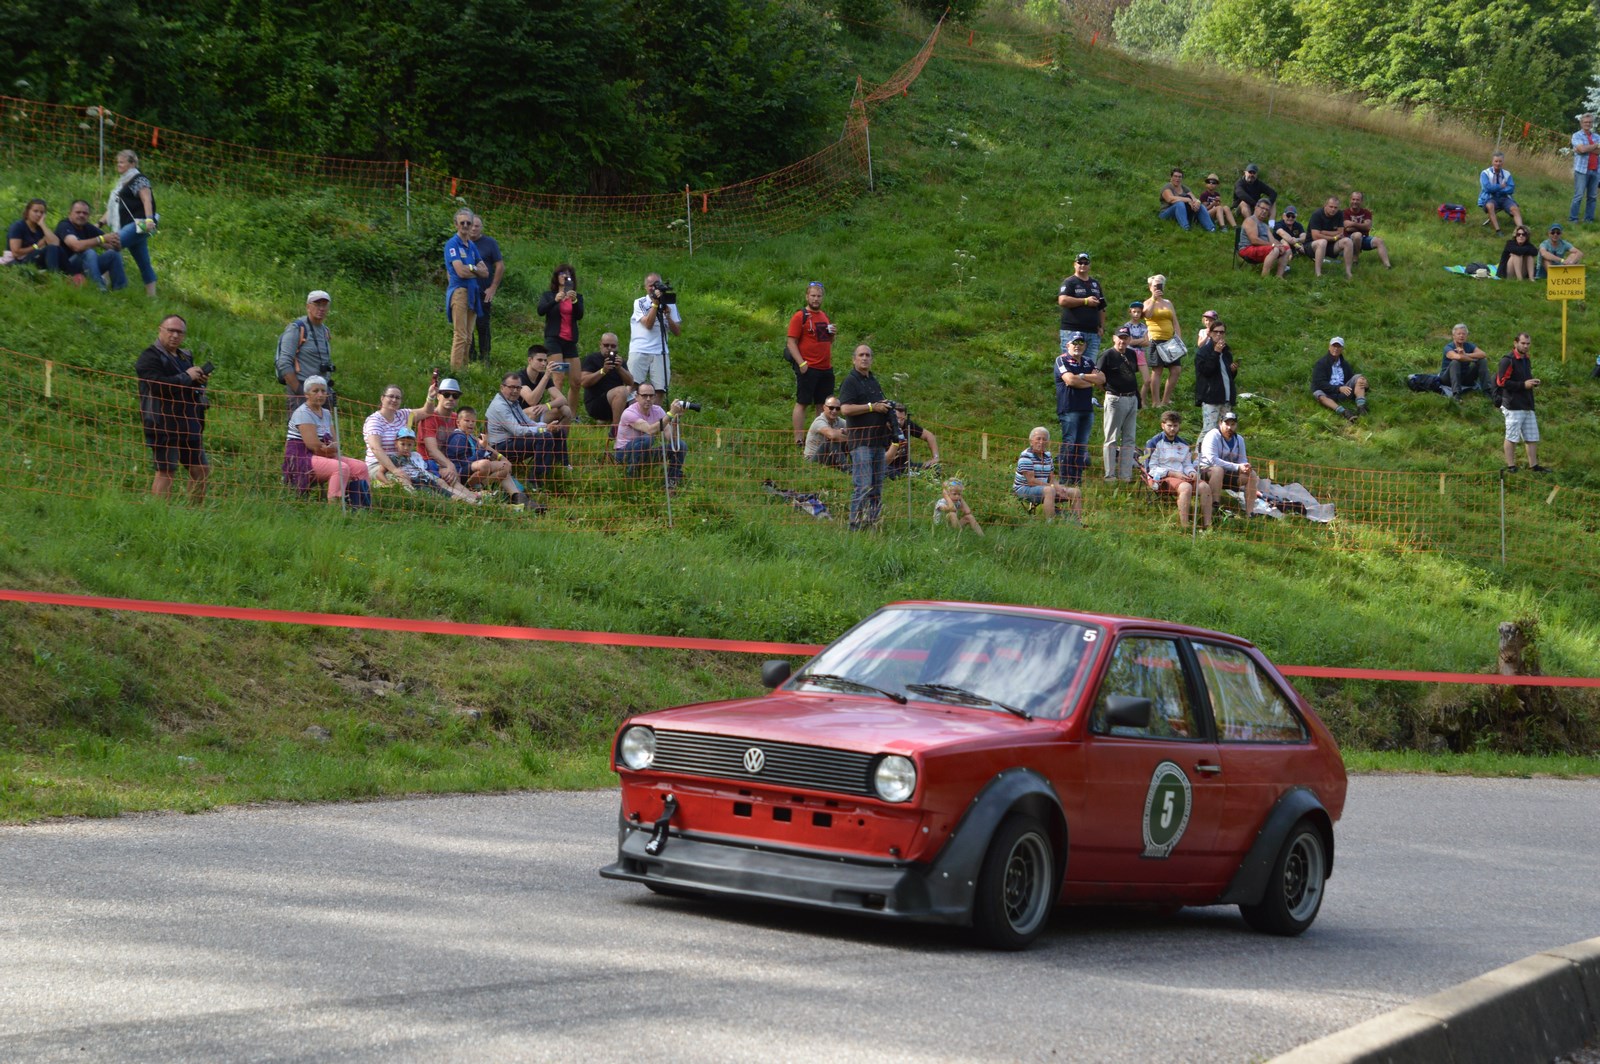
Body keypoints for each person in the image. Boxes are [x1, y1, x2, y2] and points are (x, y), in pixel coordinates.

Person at [135, 315, 209, 502]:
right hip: (162, 423)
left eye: (180, 332)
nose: (175, 335)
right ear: (160, 330)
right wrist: (187, 376)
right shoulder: (149, 357)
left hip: (189, 422)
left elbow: (186, 385)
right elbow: (158, 387)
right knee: (166, 471)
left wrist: (199, 381)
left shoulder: (185, 356)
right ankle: (159, 513)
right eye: (171, 330)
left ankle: (194, 513)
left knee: (201, 469)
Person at [283, 376, 368, 506]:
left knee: (360, 467)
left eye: (323, 391)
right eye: (315, 391)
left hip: (326, 454)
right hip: (303, 457)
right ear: (306, 394)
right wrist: (330, 448)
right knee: (341, 468)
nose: (320, 394)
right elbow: (314, 446)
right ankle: (335, 506)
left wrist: (331, 448)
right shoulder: (303, 413)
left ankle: (361, 505)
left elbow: (335, 441)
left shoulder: (326, 413)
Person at [837, 344, 891, 530]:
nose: (865, 358)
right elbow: (845, 409)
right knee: (863, 485)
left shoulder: (873, 381)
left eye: (868, 355)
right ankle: (855, 525)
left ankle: (872, 523)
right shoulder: (850, 381)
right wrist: (871, 407)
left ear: (872, 359)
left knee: (877, 486)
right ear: (854, 359)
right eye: (861, 355)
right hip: (861, 442)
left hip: (878, 441)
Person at [445, 405, 535, 509]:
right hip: (460, 474)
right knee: (485, 464)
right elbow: (464, 462)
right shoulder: (458, 438)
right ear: (458, 422)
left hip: (473, 469)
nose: (471, 423)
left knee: (504, 467)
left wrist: (494, 455)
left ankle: (519, 498)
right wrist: (482, 450)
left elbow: (484, 452)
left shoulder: (470, 437)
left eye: (473, 421)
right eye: (467, 420)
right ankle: (471, 488)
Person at [786, 281, 836, 446]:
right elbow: (791, 342)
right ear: (807, 296)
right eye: (813, 295)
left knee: (822, 405)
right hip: (809, 368)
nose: (816, 299)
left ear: (822, 298)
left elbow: (826, 342)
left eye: (819, 296)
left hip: (825, 368)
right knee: (803, 402)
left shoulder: (824, 316)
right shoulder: (800, 316)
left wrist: (832, 334)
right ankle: (799, 439)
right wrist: (801, 364)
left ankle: (819, 438)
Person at [1145, 410, 1211, 530]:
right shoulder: (1153, 443)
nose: (1172, 429)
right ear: (1163, 425)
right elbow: (1150, 469)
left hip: (1182, 476)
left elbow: (1187, 464)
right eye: (1169, 425)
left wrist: (1192, 472)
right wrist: (1172, 473)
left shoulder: (1184, 444)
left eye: (1175, 426)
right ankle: (1185, 526)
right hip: (1161, 477)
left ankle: (1207, 525)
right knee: (1186, 487)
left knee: (1205, 487)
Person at [487, 373, 558, 486]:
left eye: (518, 388)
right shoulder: (500, 405)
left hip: (513, 441)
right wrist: (543, 430)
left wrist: (546, 426)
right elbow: (518, 431)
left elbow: (528, 423)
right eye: (511, 387)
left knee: (557, 431)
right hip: (500, 447)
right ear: (502, 387)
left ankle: (563, 465)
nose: (515, 391)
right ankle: (535, 481)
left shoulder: (513, 402)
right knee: (545, 437)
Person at [104, 150, 159, 296]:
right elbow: (114, 207)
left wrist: (149, 219)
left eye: (122, 162)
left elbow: (147, 200)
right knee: (143, 261)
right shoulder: (123, 182)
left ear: (132, 163)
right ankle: (152, 297)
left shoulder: (139, 179)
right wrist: (100, 222)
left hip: (142, 223)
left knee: (114, 243)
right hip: (130, 224)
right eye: (118, 162)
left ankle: (102, 281)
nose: (118, 165)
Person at [364, 382, 437, 489]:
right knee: (405, 482)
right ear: (382, 398)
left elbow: (427, 412)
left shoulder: (403, 414)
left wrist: (431, 396)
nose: (394, 400)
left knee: (436, 481)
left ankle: (457, 497)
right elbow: (375, 448)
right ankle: (416, 499)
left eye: (397, 398)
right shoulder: (374, 420)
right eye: (391, 396)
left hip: (403, 462)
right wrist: (394, 470)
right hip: (378, 465)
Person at [276, 290, 333, 421]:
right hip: (302, 392)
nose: (321, 308)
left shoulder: (325, 331)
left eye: (324, 305)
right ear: (308, 306)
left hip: (322, 392)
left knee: (324, 432)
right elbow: (284, 363)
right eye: (317, 304)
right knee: (300, 432)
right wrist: (301, 392)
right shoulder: (297, 328)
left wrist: (326, 391)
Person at [615, 384, 687, 487]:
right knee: (648, 438)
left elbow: (671, 438)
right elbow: (650, 430)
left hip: (644, 452)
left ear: (655, 397)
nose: (648, 399)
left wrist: (675, 419)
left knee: (680, 445)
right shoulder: (629, 413)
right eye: (644, 395)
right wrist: (670, 414)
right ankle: (631, 477)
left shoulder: (658, 410)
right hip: (624, 454)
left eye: (651, 396)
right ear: (636, 397)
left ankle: (671, 482)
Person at [1054, 334, 1102, 486]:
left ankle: (1077, 480)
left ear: (1085, 346)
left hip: (1087, 409)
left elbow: (1101, 379)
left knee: (1081, 446)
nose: (1077, 345)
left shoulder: (1088, 361)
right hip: (1069, 408)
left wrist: (1080, 376)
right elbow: (1070, 380)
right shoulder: (1061, 359)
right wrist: (1090, 381)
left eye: (1081, 342)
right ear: (1067, 345)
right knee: (1069, 443)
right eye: (1074, 343)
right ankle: (1064, 479)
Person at [443, 208, 487, 371]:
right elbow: (460, 272)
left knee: (468, 336)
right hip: (459, 291)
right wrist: (474, 269)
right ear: (456, 224)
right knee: (460, 335)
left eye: (469, 223)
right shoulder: (452, 244)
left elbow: (485, 272)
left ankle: (464, 370)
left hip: (472, 292)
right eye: (462, 223)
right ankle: (454, 373)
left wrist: (470, 267)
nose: (466, 226)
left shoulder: (471, 245)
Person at [392, 427, 484, 503]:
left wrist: (439, 469)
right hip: (417, 482)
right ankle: (467, 502)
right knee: (440, 493)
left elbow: (425, 467)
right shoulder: (394, 458)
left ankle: (471, 499)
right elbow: (387, 471)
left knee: (444, 485)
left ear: (413, 445)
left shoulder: (416, 455)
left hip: (427, 478)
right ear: (396, 444)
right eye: (402, 444)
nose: (406, 448)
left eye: (409, 445)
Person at [1496, 333, 1547, 472]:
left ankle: (1534, 466)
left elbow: (1523, 379)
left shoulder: (1526, 359)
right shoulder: (1507, 360)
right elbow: (1501, 382)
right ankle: (1511, 466)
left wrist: (1532, 382)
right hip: (1512, 405)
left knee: (1532, 437)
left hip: (1527, 403)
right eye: (1523, 343)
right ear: (1515, 343)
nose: (1525, 346)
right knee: (1512, 437)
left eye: (1528, 343)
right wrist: (1523, 385)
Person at [628, 272, 682, 399]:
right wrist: (655, 304)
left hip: (660, 351)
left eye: (657, 285)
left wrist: (668, 316)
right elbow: (648, 324)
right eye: (651, 285)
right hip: (640, 349)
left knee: (660, 389)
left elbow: (677, 332)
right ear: (645, 287)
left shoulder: (670, 304)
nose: (654, 288)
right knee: (632, 385)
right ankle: (630, 411)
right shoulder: (640, 302)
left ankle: (656, 412)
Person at [519, 345, 574, 468]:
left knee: (565, 410)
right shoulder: (521, 377)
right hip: (519, 418)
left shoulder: (543, 376)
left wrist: (547, 405)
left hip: (537, 415)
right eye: (539, 360)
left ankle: (560, 448)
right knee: (534, 410)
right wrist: (546, 376)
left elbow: (562, 399)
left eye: (545, 360)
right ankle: (535, 446)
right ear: (530, 360)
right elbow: (531, 400)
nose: (543, 364)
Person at [1099, 326, 1142, 483]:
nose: (1122, 341)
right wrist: (1109, 391)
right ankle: (1110, 475)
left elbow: (1132, 374)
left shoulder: (1131, 354)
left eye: (1125, 338)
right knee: (1111, 438)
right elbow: (1098, 376)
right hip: (1115, 399)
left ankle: (1125, 475)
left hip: (1131, 398)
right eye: (1120, 337)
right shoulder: (1107, 355)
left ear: (1129, 339)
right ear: (1114, 338)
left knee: (1129, 438)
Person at [54, 199, 125, 290]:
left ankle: (120, 289)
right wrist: (101, 239)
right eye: (78, 212)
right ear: (70, 214)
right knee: (89, 252)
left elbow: (109, 244)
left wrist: (116, 245)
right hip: (66, 268)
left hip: (86, 266)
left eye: (85, 213)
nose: (81, 215)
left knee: (113, 254)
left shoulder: (88, 227)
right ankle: (99, 287)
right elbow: (76, 246)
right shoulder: (64, 225)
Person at [1013, 427, 1081, 521]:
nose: (1041, 442)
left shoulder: (1048, 455)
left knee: (1075, 492)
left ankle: (1077, 522)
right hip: (1024, 489)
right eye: (1038, 439)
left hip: (1045, 487)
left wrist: (1059, 488)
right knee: (1049, 491)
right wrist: (1053, 487)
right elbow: (1031, 481)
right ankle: (1050, 523)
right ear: (1031, 441)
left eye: (1044, 439)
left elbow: (1051, 478)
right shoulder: (1026, 456)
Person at [1198, 411, 1258, 515]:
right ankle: (1215, 507)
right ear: (1220, 423)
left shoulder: (1239, 439)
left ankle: (1250, 513)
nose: (1229, 427)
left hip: (1227, 473)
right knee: (1218, 470)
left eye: (1233, 424)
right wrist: (1237, 467)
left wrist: (1245, 467)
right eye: (1226, 424)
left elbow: (1242, 460)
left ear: (1236, 425)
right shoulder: (1212, 435)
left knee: (1251, 474)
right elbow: (1213, 461)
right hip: (1205, 470)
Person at [1143, 274, 1186, 408]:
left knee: (1176, 370)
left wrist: (1178, 338)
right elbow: (1147, 315)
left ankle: (1166, 399)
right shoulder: (1147, 302)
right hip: (1156, 339)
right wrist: (1154, 299)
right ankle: (1156, 402)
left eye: (1160, 285)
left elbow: (1175, 321)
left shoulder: (1168, 303)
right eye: (1155, 285)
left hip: (1170, 341)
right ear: (1150, 287)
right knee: (1157, 370)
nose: (1158, 288)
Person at [413, 376, 465, 485]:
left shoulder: (456, 418)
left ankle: (479, 491)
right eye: (446, 394)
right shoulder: (429, 417)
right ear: (438, 396)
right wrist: (449, 465)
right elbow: (432, 450)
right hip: (428, 462)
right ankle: (470, 494)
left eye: (455, 396)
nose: (450, 398)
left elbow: (471, 439)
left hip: (451, 461)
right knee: (451, 476)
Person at [578, 332, 634, 430]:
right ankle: (616, 429)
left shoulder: (619, 361)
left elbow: (630, 382)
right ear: (600, 345)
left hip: (617, 401)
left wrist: (620, 368)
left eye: (613, 346)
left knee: (641, 397)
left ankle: (641, 428)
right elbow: (584, 382)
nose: (609, 348)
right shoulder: (591, 359)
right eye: (606, 345)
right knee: (621, 391)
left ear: (617, 347)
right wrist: (603, 371)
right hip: (596, 402)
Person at [467, 215, 504, 363]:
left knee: (483, 325)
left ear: (481, 227)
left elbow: (500, 265)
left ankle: (485, 358)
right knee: (466, 326)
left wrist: (493, 287)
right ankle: (470, 357)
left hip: (483, 292)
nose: (474, 228)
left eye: (477, 226)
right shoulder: (461, 243)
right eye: (471, 225)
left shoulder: (490, 243)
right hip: (465, 291)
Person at [1057, 252, 1106, 362]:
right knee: (1071, 364)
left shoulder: (1095, 284)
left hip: (1093, 333)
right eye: (1080, 262)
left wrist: (1102, 327)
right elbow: (1063, 300)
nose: (1083, 265)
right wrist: (1085, 301)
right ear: (1075, 264)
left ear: (1089, 265)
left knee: (1090, 365)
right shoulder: (1069, 282)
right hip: (1072, 331)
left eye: (1086, 263)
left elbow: (1102, 307)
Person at [1193, 318, 1237, 435]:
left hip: (1226, 397)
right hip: (1210, 398)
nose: (1218, 334)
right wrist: (1216, 353)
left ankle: (1220, 448)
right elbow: (1206, 372)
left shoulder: (1226, 352)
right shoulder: (1203, 352)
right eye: (1216, 332)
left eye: (1221, 332)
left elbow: (1227, 377)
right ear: (1210, 334)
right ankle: (1200, 448)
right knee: (1209, 430)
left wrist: (1233, 370)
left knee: (1225, 431)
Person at [1311, 337, 1368, 422]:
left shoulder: (1345, 364)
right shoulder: (1321, 364)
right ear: (1329, 347)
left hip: (1344, 392)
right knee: (1318, 394)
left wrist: (1365, 384)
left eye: (1339, 346)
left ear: (1342, 349)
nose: (1336, 349)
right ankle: (1344, 412)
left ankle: (1361, 407)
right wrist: (1338, 388)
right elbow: (1320, 383)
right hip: (1327, 393)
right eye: (1334, 346)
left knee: (1360, 378)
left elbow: (1351, 378)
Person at [536, 263, 583, 361]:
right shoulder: (548, 295)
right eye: (561, 273)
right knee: (558, 370)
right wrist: (555, 300)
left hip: (570, 339)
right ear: (556, 277)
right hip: (554, 338)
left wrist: (574, 301)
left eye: (567, 274)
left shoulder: (577, 297)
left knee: (576, 371)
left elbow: (579, 316)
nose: (564, 276)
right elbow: (540, 311)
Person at [885, 403, 940, 479]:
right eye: (897, 418)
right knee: (884, 471)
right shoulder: (881, 428)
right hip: (889, 466)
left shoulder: (907, 425)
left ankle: (911, 475)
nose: (899, 422)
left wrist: (935, 457)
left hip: (907, 465)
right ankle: (913, 476)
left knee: (936, 467)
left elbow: (930, 436)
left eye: (902, 419)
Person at [5, 199, 61, 273]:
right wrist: (37, 246)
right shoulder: (18, 226)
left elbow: (56, 244)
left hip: (34, 257)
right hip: (18, 261)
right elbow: (16, 253)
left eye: (42, 212)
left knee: (59, 250)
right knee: (50, 248)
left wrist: (42, 224)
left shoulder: (40, 228)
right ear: (28, 212)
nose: (39, 215)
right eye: (35, 211)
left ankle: (70, 274)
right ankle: (54, 274)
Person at [1308, 196, 1355, 279]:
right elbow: (1315, 236)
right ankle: (1318, 273)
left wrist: (1323, 232)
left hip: (1331, 246)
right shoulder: (1317, 214)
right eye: (1331, 207)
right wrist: (1334, 238)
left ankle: (1348, 272)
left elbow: (1340, 232)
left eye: (1335, 207)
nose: (1333, 209)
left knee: (1348, 241)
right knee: (1322, 242)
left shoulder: (1339, 214)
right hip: (1313, 245)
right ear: (1325, 205)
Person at [1240, 199, 1289, 278]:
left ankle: (1279, 276)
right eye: (1262, 208)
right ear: (1256, 207)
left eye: (1267, 210)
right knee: (1275, 249)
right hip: (1247, 248)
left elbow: (1272, 240)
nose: (1264, 211)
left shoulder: (1265, 226)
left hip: (1261, 248)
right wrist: (1273, 245)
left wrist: (1280, 245)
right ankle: (1265, 277)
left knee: (1287, 249)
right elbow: (1254, 240)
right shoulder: (1250, 220)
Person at [1343, 191, 1392, 269]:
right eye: (1353, 199)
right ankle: (1355, 259)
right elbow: (1347, 228)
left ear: (1361, 201)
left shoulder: (1366, 212)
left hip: (1364, 238)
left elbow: (1368, 226)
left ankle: (1387, 265)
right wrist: (1362, 226)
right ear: (1350, 200)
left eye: (1357, 200)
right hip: (1349, 239)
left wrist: (1353, 224)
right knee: (1357, 235)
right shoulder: (1345, 212)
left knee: (1379, 241)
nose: (1355, 202)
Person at [1478, 152, 1523, 235]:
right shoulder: (1485, 173)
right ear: (1492, 162)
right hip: (1489, 198)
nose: (1498, 163)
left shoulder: (1507, 174)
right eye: (1496, 161)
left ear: (1503, 162)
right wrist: (1501, 186)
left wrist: (1498, 190)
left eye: (1500, 161)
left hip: (1504, 197)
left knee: (1515, 209)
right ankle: (1498, 230)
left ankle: (1521, 230)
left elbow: (1511, 188)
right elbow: (1487, 188)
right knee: (1490, 206)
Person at [1439, 323, 1488, 398]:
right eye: (1459, 334)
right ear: (1453, 336)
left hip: (1465, 377)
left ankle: (1487, 390)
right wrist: (1473, 359)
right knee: (1455, 362)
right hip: (1448, 379)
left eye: (1464, 334)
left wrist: (1466, 354)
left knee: (1482, 361)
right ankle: (1456, 394)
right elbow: (1458, 357)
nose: (1461, 336)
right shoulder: (1448, 347)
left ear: (1466, 336)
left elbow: (1483, 354)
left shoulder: (1469, 345)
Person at [1123, 301, 1155, 408]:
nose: (1136, 314)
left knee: (1148, 380)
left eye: (1139, 312)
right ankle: (1129, 401)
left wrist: (1137, 341)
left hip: (1140, 353)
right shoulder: (1127, 326)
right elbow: (1129, 342)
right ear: (1130, 312)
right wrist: (1141, 340)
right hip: (1129, 353)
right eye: (1134, 312)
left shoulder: (1143, 326)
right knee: (1129, 379)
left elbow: (1147, 342)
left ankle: (1141, 401)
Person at [804, 396, 849, 469]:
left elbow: (854, 429)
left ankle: (858, 465)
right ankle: (847, 469)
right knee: (831, 442)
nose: (834, 411)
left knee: (850, 441)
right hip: (812, 459)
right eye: (831, 408)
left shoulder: (838, 420)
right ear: (824, 407)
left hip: (828, 456)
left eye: (837, 408)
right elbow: (832, 435)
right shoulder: (819, 421)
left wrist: (843, 431)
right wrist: (850, 438)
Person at [1572, 114, 1599, 225]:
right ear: (1581, 123)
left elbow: (1584, 150)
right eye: (1585, 122)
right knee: (1578, 196)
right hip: (1581, 170)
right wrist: (1595, 146)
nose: (1587, 124)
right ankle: (1573, 219)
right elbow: (1582, 149)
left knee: (1592, 197)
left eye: (1589, 122)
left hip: (1596, 170)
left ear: (1592, 123)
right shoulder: (1576, 135)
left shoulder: (1597, 136)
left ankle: (1589, 220)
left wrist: (1584, 149)